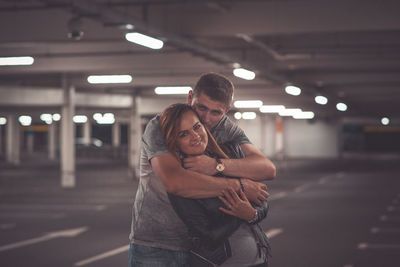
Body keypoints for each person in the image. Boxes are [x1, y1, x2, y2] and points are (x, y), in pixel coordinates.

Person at [129, 72, 276, 266]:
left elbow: (267, 169)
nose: (207, 118)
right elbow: (176, 182)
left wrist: (216, 166)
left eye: (216, 112)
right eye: (201, 107)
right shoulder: (162, 125)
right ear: (190, 97)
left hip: (196, 248)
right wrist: (240, 186)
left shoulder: (224, 127)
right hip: (156, 244)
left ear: (227, 109)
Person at [160, 103, 270, 266]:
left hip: (259, 259)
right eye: (184, 134)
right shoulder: (183, 181)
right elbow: (208, 237)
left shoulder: (229, 154)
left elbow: (261, 196)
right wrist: (240, 214)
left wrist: (252, 214)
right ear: (175, 142)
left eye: (197, 127)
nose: (195, 136)